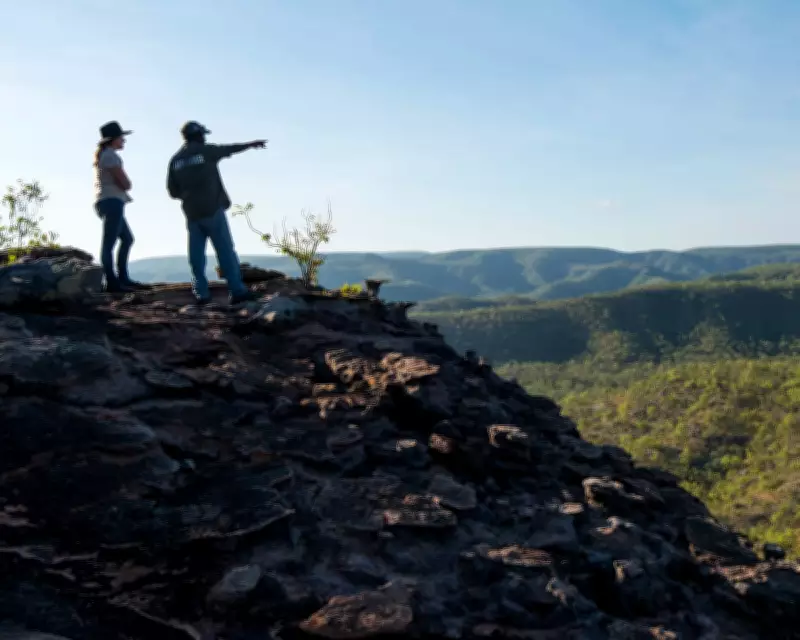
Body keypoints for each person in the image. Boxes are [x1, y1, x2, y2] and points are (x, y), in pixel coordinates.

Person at [166, 121, 267, 305]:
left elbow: (172, 192)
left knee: (196, 255)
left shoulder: (175, 160)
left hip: (191, 213)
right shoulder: (206, 152)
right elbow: (229, 149)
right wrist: (251, 145)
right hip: (212, 209)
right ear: (199, 136)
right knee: (225, 251)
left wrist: (189, 195)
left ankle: (201, 293)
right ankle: (237, 291)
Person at [93, 121, 148, 292]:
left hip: (108, 201)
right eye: (121, 137)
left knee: (126, 239)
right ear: (113, 139)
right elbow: (125, 183)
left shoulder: (106, 155)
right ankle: (113, 282)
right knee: (109, 244)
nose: (123, 140)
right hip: (112, 202)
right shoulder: (110, 156)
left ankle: (121, 278)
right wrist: (128, 183)